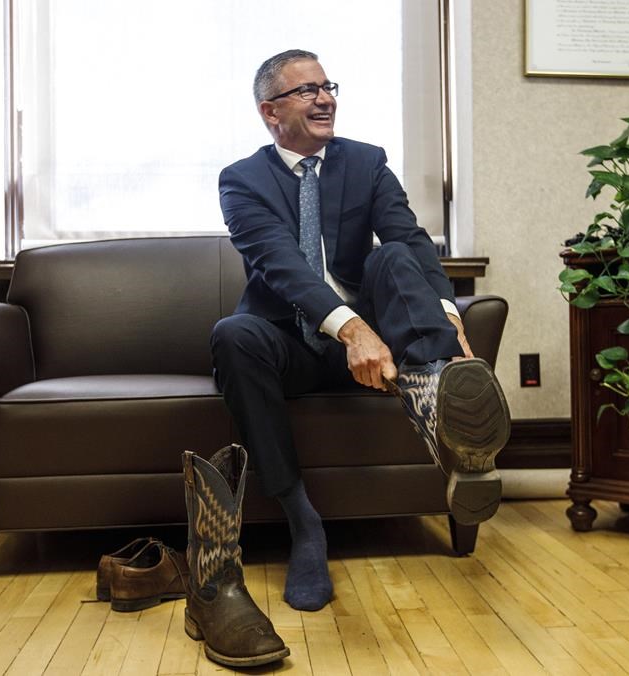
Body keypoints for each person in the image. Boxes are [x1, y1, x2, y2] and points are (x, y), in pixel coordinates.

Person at [212, 49, 510, 612]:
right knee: (234, 333)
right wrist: (351, 331)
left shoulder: (366, 162)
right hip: (297, 345)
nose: (325, 98)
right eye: (307, 90)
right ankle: (305, 526)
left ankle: (438, 391)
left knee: (394, 254)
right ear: (270, 112)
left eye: (328, 86)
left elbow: (412, 240)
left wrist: (451, 317)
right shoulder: (242, 180)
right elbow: (281, 264)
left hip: (382, 351)